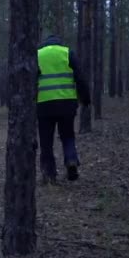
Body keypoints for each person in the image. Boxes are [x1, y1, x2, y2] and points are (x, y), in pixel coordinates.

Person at [37, 35, 91, 184]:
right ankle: (71, 160)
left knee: (46, 141)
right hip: (67, 104)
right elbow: (80, 78)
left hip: (44, 104)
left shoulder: (38, 54)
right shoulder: (68, 53)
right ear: (59, 42)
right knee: (67, 135)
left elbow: (32, 80)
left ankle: (49, 173)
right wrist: (85, 98)